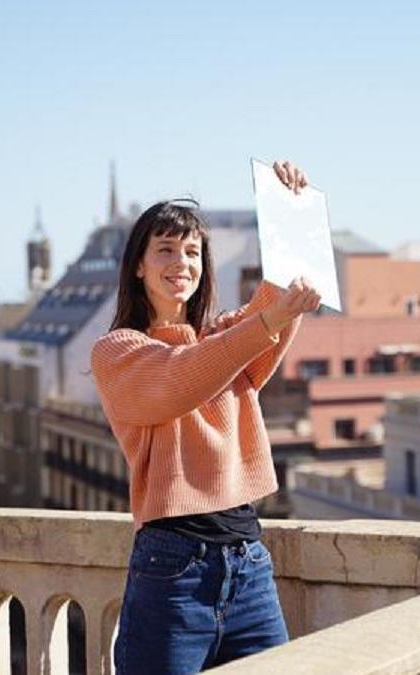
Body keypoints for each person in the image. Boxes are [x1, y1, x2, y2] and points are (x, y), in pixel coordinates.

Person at [90, 160, 321, 673]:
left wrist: (289, 209)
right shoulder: (117, 351)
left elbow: (281, 297)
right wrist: (268, 319)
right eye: (166, 250)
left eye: (192, 251)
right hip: (173, 567)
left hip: (249, 562)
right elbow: (181, 378)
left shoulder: (222, 339)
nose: (182, 262)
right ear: (138, 266)